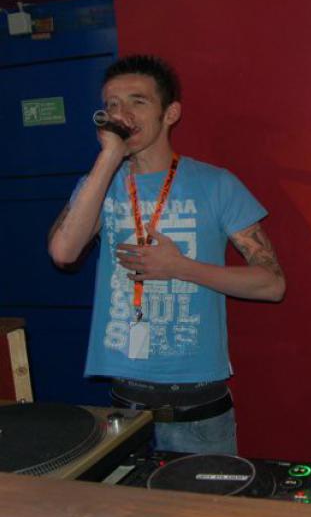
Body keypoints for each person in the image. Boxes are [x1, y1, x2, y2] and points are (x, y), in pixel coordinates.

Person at [49, 54, 285, 455]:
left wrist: (180, 267)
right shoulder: (99, 184)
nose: (122, 114)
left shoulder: (216, 184)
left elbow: (272, 284)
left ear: (170, 113)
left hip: (197, 407)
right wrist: (109, 157)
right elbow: (63, 252)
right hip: (125, 405)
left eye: (138, 101)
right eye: (112, 104)